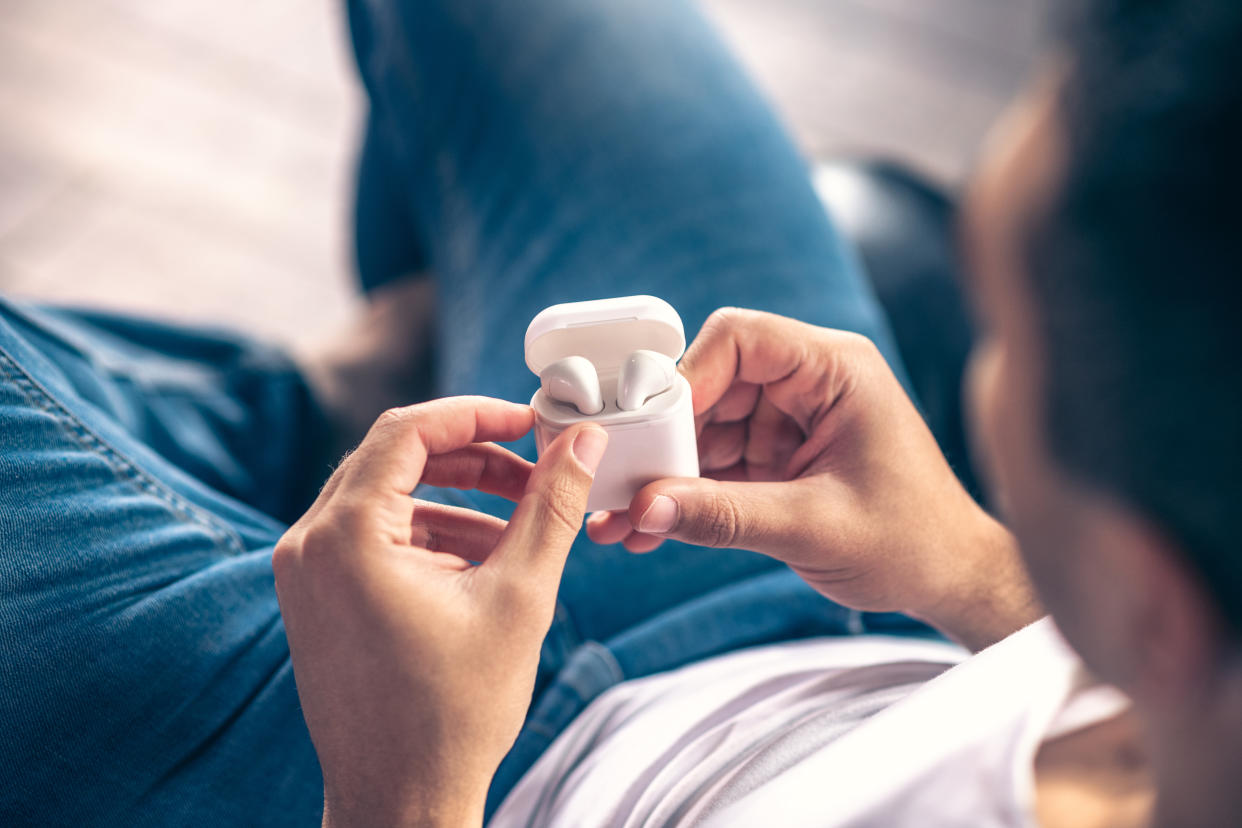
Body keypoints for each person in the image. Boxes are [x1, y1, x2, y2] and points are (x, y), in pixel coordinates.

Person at [2, 0, 1238, 826]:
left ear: (1150, 594)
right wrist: (972, 566)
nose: (977, 371)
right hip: (798, 605)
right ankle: (315, 408)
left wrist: (404, 786)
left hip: (455, 768)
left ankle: (316, 404)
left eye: (1005, 332)